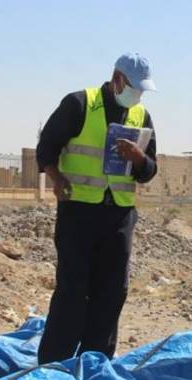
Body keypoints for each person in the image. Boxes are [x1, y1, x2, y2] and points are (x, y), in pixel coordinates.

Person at [35, 52, 158, 364]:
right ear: (117, 78)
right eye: (134, 87)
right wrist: (56, 178)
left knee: (112, 292)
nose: (137, 95)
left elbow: (149, 170)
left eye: (142, 90)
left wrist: (139, 159)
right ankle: (55, 364)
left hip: (119, 215)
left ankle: (95, 362)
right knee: (73, 291)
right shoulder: (80, 104)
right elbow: (46, 147)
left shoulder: (141, 116)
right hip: (78, 211)